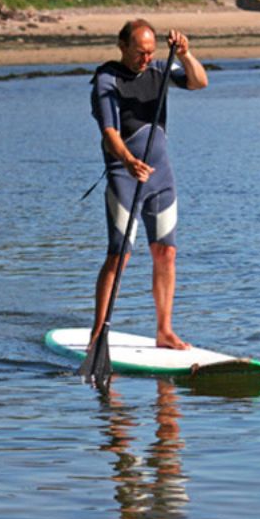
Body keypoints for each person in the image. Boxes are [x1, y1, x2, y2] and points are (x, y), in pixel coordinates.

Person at [89, 19, 209, 351]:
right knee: (119, 257)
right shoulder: (106, 80)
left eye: (149, 52)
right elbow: (110, 133)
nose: (145, 58)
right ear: (122, 46)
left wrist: (185, 54)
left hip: (161, 177)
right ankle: (98, 334)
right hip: (125, 176)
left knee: (166, 253)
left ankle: (165, 331)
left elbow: (200, 82)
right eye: (139, 52)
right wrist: (128, 161)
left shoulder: (159, 70)